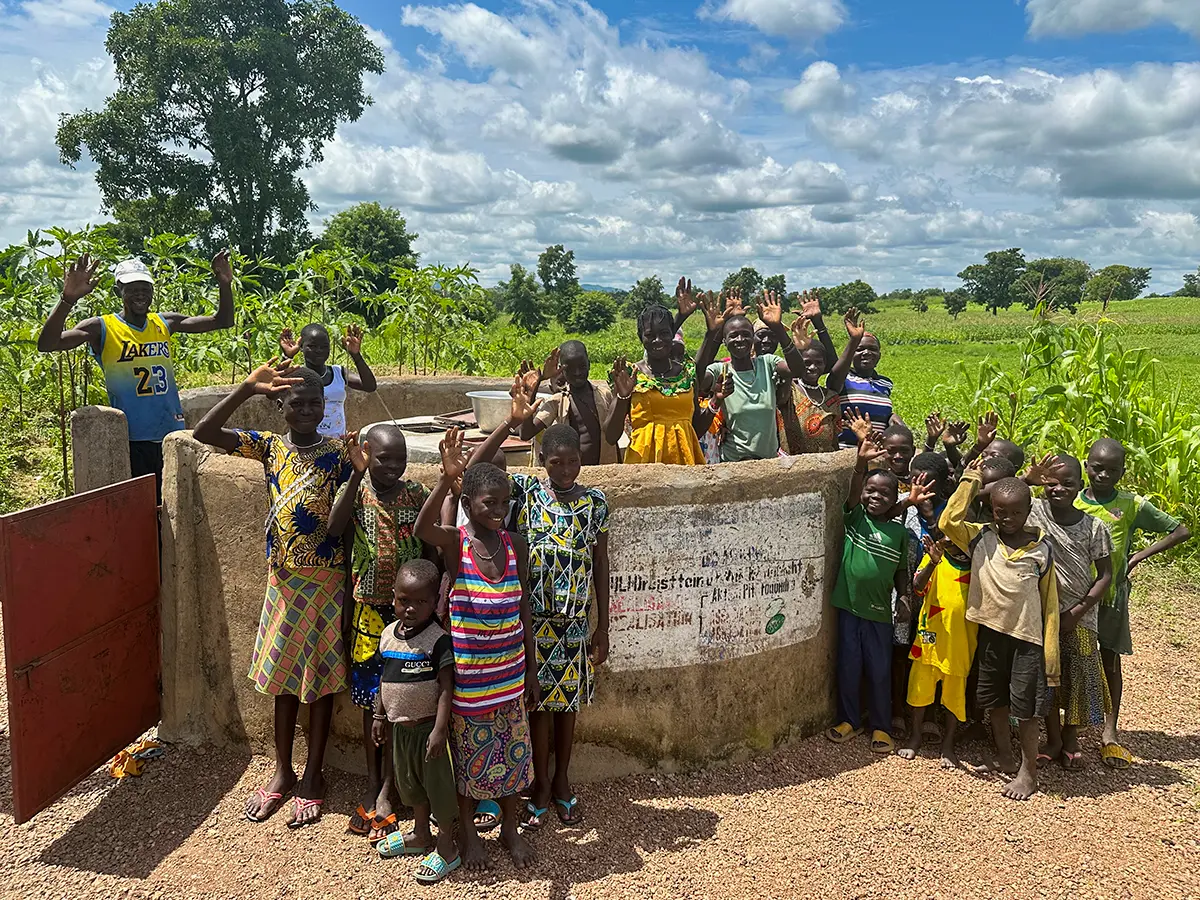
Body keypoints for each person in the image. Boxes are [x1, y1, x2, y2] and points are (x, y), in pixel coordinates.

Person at [193, 361, 352, 827]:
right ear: (280, 407)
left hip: (327, 582)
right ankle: (282, 770)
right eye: (296, 403)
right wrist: (244, 388)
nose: (305, 409)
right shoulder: (269, 448)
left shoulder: (340, 453)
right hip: (283, 582)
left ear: (325, 407)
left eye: (314, 403)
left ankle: (315, 774)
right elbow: (204, 432)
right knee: (284, 680)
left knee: (320, 683)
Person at [414, 408, 538, 871]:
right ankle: (471, 836)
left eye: (504, 504)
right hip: (469, 678)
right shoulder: (456, 544)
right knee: (469, 762)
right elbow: (422, 530)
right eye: (488, 503)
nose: (498, 511)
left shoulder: (513, 543)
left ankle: (509, 828)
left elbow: (523, 605)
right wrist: (446, 481)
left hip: (509, 675)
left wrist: (530, 669)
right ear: (469, 503)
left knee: (512, 757)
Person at [37, 252, 235, 500]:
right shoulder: (102, 327)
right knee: (145, 508)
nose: (140, 294)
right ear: (120, 290)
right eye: (132, 288)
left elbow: (223, 321)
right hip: (133, 438)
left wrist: (225, 283)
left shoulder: (165, 322)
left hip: (171, 431)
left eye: (145, 288)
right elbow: (48, 344)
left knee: (176, 505)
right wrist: (67, 299)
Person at [496, 410, 610, 828]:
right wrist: (511, 423)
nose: (565, 469)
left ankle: (562, 779)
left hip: (575, 622)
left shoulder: (595, 502)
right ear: (541, 459)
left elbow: (600, 561)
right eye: (556, 461)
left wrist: (604, 625)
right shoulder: (525, 492)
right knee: (539, 705)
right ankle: (540, 782)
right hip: (535, 623)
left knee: (569, 706)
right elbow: (477, 469)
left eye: (573, 461)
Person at [327, 423, 434, 843]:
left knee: (404, 697)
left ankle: (395, 784)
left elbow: (428, 552)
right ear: (367, 452)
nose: (392, 466)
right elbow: (335, 531)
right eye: (384, 458)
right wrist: (355, 474)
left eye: (400, 459)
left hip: (411, 616)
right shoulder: (355, 493)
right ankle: (375, 782)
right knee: (371, 701)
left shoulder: (416, 495)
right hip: (370, 614)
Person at [939, 461, 1060, 801]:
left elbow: (1050, 605)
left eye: (1014, 513)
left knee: (1026, 709)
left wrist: (1050, 654)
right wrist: (971, 479)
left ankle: (1028, 772)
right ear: (991, 510)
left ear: (1028, 511)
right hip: (991, 634)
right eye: (999, 512)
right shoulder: (981, 538)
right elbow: (948, 521)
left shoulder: (1040, 551)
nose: (1006, 519)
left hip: (1027, 641)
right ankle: (1006, 759)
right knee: (995, 701)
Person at [1074, 438, 1191, 768]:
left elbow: (1179, 530)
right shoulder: (1072, 500)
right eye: (1097, 467)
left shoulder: (1131, 504)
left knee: (1109, 662)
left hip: (1110, 598)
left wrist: (1137, 556)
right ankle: (1072, 727)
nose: (1103, 475)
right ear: (1086, 466)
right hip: (1074, 597)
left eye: (1112, 470)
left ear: (1122, 472)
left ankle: (1109, 731)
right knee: (1072, 659)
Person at [371, 559, 460, 884]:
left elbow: (447, 688)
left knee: (438, 790)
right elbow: (384, 679)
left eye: (421, 601)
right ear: (393, 596)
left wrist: (439, 729)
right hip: (400, 730)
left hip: (428, 731)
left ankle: (447, 848)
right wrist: (380, 715)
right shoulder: (387, 635)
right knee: (411, 788)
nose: (411, 608)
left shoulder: (438, 639)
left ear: (435, 600)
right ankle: (420, 834)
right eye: (404, 600)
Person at [826, 433, 916, 755]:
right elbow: (852, 494)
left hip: (880, 612)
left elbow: (901, 570)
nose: (875, 496)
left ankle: (882, 726)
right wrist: (860, 463)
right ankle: (849, 719)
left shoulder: (899, 533)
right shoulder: (855, 520)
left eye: (884, 493)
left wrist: (904, 597)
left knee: (879, 671)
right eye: (870, 490)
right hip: (849, 607)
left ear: (895, 499)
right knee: (849, 666)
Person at [1023, 453, 1113, 770]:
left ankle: (1071, 735)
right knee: (1048, 676)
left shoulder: (1094, 527)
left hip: (1079, 615)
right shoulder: (1033, 511)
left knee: (1080, 676)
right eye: (1051, 482)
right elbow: (1001, 499)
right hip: (1041, 611)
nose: (1058, 488)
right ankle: (1054, 738)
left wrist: (1077, 611)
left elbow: (1105, 575)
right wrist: (1027, 480)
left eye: (1068, 483)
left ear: (1080, 486)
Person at [695, 289, 808, 462]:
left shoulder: (768, 363)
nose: (740, 339)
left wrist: (778, 328)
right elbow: (697, 380)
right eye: (733, 336)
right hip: (733, 462)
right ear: (724, 341)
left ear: (754, 339)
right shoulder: (720, 371)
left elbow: (799, 371)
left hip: (768, 462)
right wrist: (711, 334)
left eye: (746, 335)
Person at [898, 535, 977, 768]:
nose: (955, 544)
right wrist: (932, 561)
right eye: (949, 539)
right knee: (919, 691)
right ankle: (915, 737)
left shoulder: (978, 567)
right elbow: (918, 587)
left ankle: (948, 745)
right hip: (929, 639)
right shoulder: (936, 560)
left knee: (954, 698)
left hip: (960, 643)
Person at [607, 300, 704, 465]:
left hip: (686, 465)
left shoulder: (686, 374)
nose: (658, 340)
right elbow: (611, 436)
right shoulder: (630, 375)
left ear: (672, 335)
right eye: (650, 335)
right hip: (643, 465)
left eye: (664, 333)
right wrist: (623, 397)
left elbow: (695, 427)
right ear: (641, 338)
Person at [778, 302, 862, 455]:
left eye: (818, 363)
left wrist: (854, 340)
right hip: (792, 468)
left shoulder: (831, 397)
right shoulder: (788, 391)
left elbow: (834, 440)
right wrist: (797, 349)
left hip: (825, 466)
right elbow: (787, 372)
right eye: (806, 363)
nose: (812, 367)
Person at [516, 341, 619, 465]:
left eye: (582, 366)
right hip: (569, 474)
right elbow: (526, 434)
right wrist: (531, 394)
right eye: (570, 368)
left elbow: (614, 436)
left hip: (604, 470)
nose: (577, 372)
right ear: (560, 369)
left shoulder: (604, 395)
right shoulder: (557, 402)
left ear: (589, 364)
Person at [280, 322, 377, 439]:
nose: (319, 350)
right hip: (307, 444)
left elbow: (370, 386)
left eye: (324, 346)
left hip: (337, 443)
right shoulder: (297, 374)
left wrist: (356, 355)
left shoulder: (338, 372)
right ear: (301, 347)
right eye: (312, 346)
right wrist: (287, 356)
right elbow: (276, 385)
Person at [837, 328, 904, 447]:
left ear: (879, 355)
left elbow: (881, 412)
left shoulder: (885, 383)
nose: (867, 352)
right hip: (846, 449)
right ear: (851, 354)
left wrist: (891, 417)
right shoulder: (843, 378)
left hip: (876, 450)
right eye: (859, 349)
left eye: (873, 349)